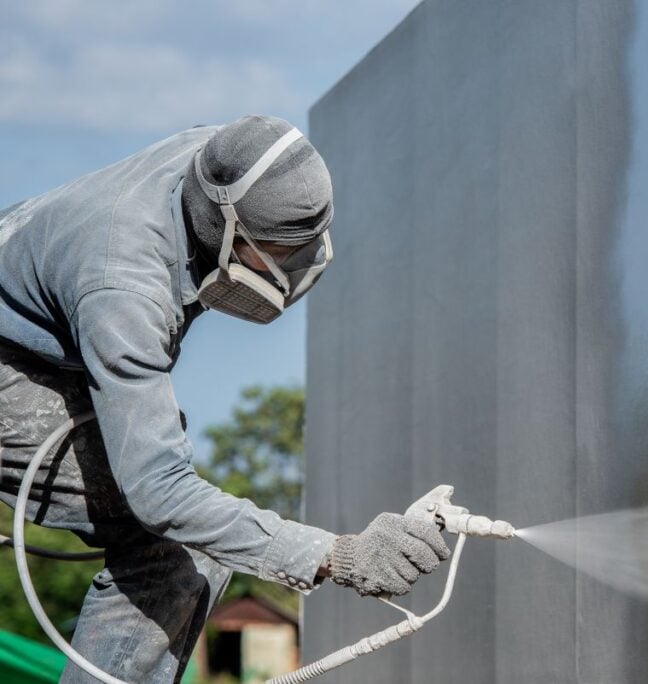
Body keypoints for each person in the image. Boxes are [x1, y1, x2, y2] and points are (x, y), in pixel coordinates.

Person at [0, 114, 449, 683]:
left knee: (196, 531)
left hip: (36, 338)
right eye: (277, 253)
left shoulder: (221, 156)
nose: (292, 269)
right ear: (224, 223)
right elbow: (159, 492)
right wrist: (336, 555)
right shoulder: (124, 285)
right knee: (172, 553)